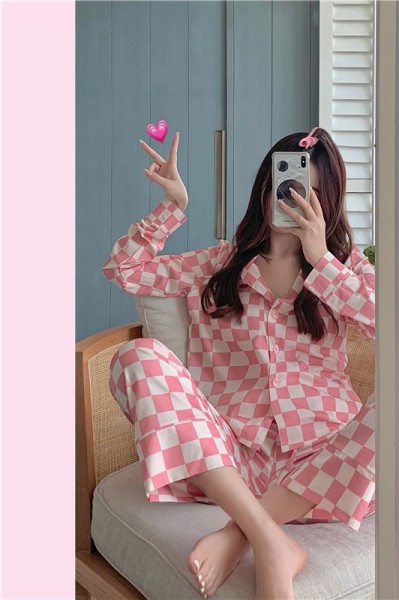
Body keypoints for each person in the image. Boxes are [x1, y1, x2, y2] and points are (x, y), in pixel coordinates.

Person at [102, 126, 376, 600]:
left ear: (328, 202)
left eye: (308, 193)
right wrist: (172, 207)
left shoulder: (346, 269)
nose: (292, 200)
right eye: (285, 185)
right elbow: (124, 271)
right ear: (266, 187)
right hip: (228, 465)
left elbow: (396, 332)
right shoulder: (218, 264)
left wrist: (322, 262)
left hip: (323, 472)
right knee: (136, 356)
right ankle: (270, 539)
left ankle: (239, 534)